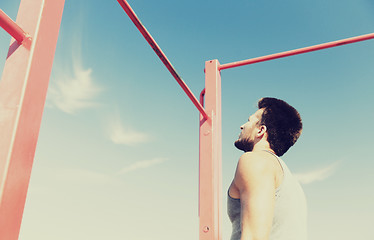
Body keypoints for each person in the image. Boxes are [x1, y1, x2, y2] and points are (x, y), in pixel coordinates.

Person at [227, 97, 307, 240]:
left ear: (260, 130)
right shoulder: (291, 182)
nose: (242, 126)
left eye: (249, 120)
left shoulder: (255, 161)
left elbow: (254, 237)